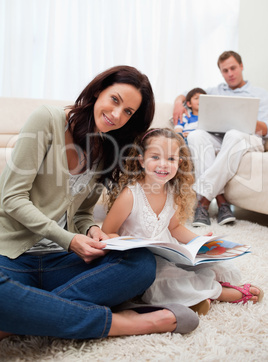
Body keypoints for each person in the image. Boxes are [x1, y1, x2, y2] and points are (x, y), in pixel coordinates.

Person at [0, 66, 198, 341]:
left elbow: (81, 212)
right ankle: (125, 323)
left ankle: (24, 316)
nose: (117, 115)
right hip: (10, 257)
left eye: (128, 112)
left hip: (61, 260)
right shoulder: (47, 120)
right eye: (115, 100)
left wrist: (91, 230)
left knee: (140, 263)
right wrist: (69, 239)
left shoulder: (106, 150)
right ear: (97, 91)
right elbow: (11, 198)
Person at [102, 128, 264, 315]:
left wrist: (201, 241)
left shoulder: (171, 192)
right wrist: (132, 245)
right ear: (141, 160)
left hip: (168, 251)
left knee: (216, 265)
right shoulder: (131, 194)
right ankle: (221, 294)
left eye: (170, 159)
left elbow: (175, 227)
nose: (163, 165)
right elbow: (107, 232)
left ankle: (200, 295)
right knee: (167, 278)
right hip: (141, 259)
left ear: (179, 163)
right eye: (155, 157)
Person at [172, 51, 268, 226]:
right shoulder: (214, 91)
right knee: (196, 135)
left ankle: (203, 202)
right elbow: (185, 94)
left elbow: (265, 128)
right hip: (220, 138)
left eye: (233, 68)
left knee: (233, 133)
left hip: (250, 138)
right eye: (225, 70)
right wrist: (179, 103)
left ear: (241, 66)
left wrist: (244, 119)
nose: (230, 74)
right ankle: (222, 203)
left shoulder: (260, 94)